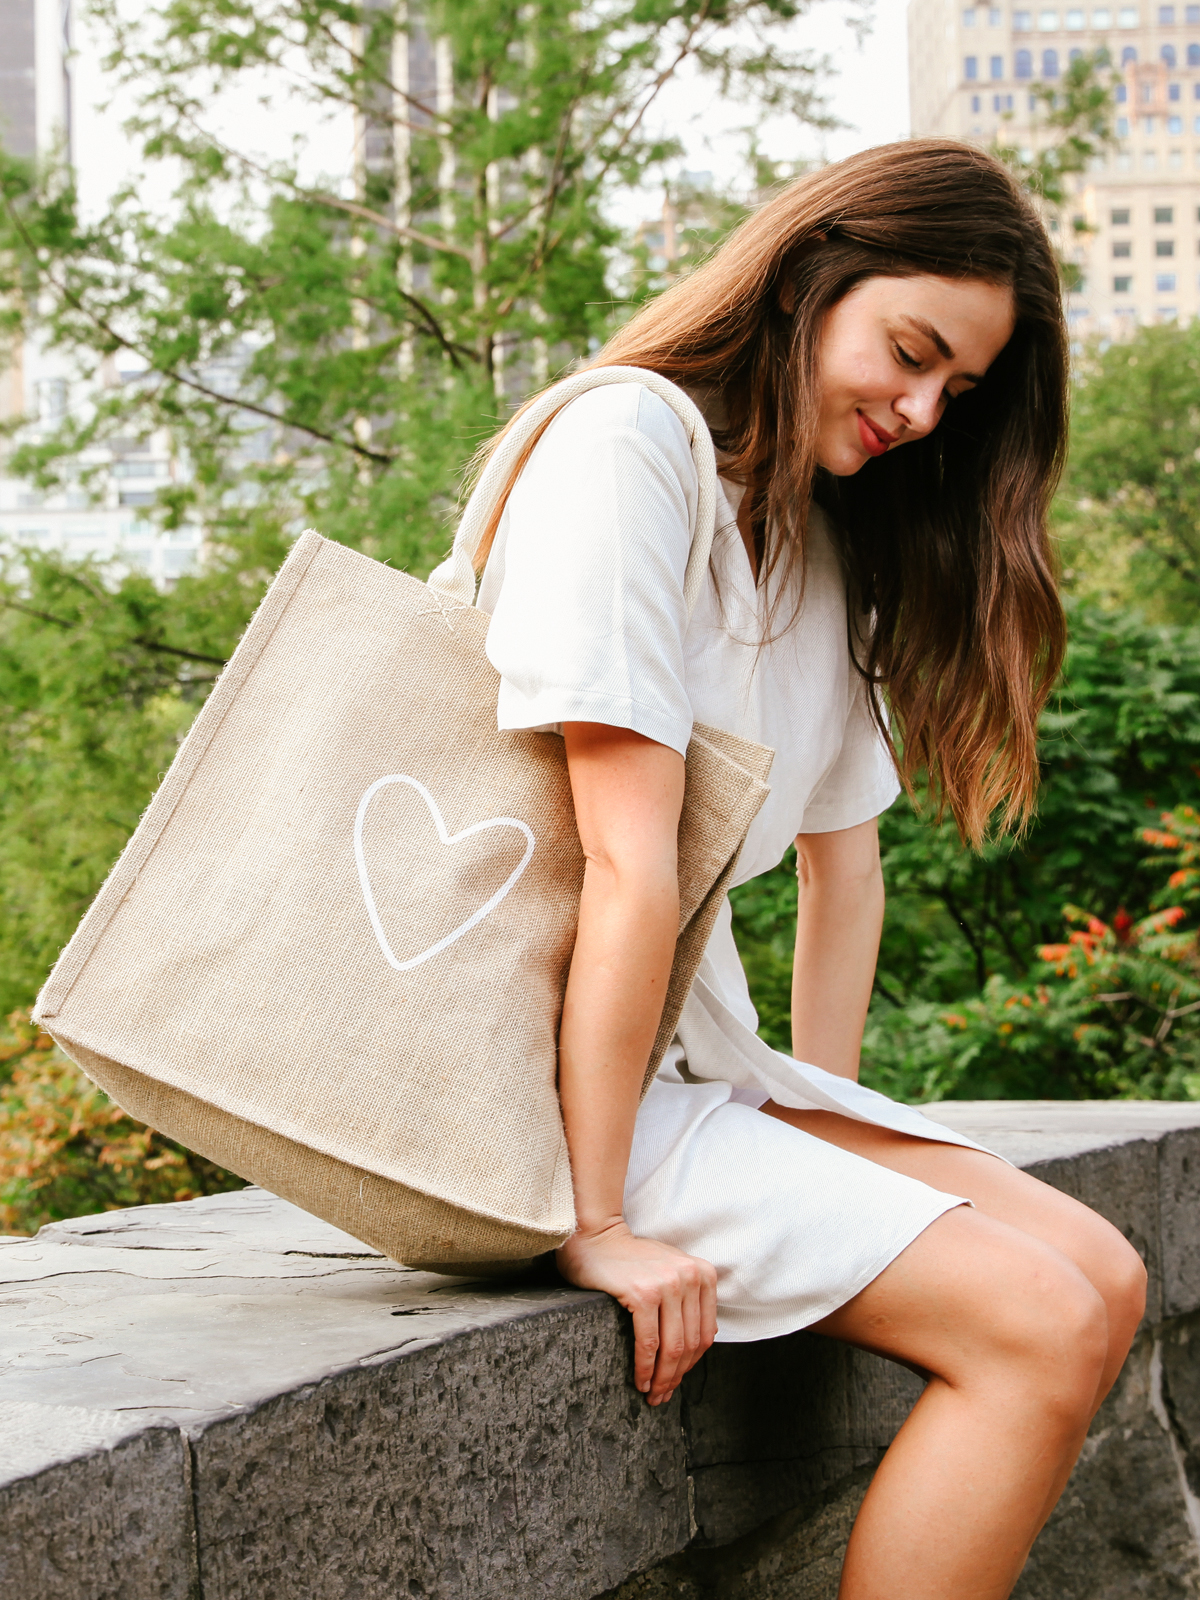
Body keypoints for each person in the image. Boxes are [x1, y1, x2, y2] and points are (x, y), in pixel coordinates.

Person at [473, 139, 1147, 1600]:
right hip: (529, 1082)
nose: (919, 411)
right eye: (911, 354)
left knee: (1104, 1273)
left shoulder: (806, 535)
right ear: (806, 275)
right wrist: (595, 1228)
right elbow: (625, 864)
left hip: (683, 1065)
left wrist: (822, 1141)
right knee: (1031, 1320)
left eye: (955, 393)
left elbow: (849, 876)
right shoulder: (625, 448)